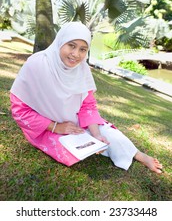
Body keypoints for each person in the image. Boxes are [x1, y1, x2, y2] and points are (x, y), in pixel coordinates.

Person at [10, 22, 162, 174]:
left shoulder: (81, 69)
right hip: (47, 128)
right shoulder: (37, 64)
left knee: (107, 136)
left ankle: (139, 155)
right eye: (71, 45)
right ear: (61, 41)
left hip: (77, 123)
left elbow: (88, 106)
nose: (76, 54)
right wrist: (57, 127)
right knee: (69, 152)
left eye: (83, 49)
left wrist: (96, 135)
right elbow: (19, 110)